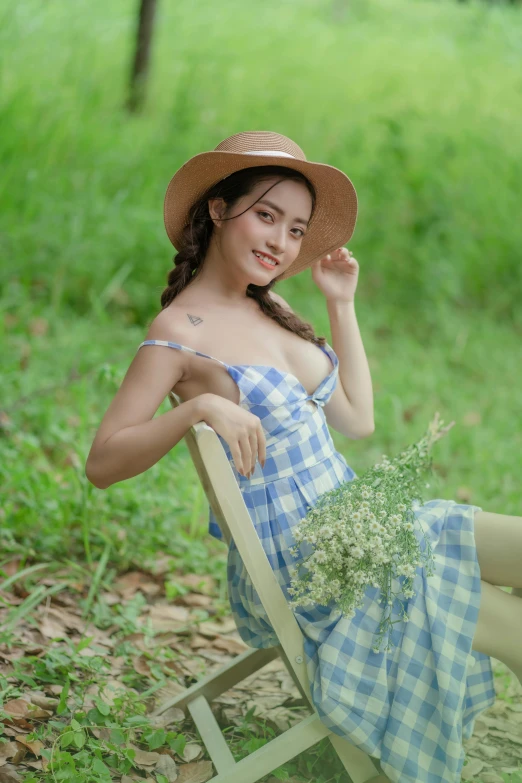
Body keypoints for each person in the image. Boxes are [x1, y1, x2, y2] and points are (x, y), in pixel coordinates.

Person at [85, 131, 522, 783]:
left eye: (294, 228)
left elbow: (357, 418)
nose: (280, 242)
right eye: (265, 215)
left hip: (366, 532)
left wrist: (341, 305)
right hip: (315, 569)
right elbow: (103, 461)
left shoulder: (276, 308)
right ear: (217, 209)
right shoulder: (181, 332)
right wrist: (196, 409)